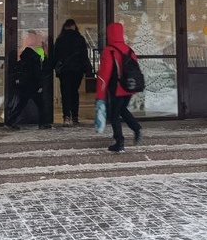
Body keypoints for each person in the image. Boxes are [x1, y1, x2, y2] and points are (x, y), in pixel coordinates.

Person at [95, 22, 143, 153]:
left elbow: (104, 74)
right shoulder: (129, 50)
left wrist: (100, 94)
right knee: (122, 109)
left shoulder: (109, 51)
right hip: (128, 87)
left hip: (116, 88)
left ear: (109, 34)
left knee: (114, 115)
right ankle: (137, 128)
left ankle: (119, 142)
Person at [51, 19, 94, 126]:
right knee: (74, 92)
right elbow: (84, 56)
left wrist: (53, 66)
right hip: (77, 70)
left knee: (65, 93)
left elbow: (55, 55)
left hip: (64, 70)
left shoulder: (60, 39)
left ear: (65, 27)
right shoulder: (80, 38)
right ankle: (75, 116)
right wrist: (88, 70)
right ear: (74, 26)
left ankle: (66, 117)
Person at [5, 30, 50, 130]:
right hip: (33, 86)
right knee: (40, 105)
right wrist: (40, 85)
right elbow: (38, 72)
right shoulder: (35, 57)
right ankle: (43, 124)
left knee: (21, 105)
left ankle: (10, 122)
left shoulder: (24, 56)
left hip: (25, 85)